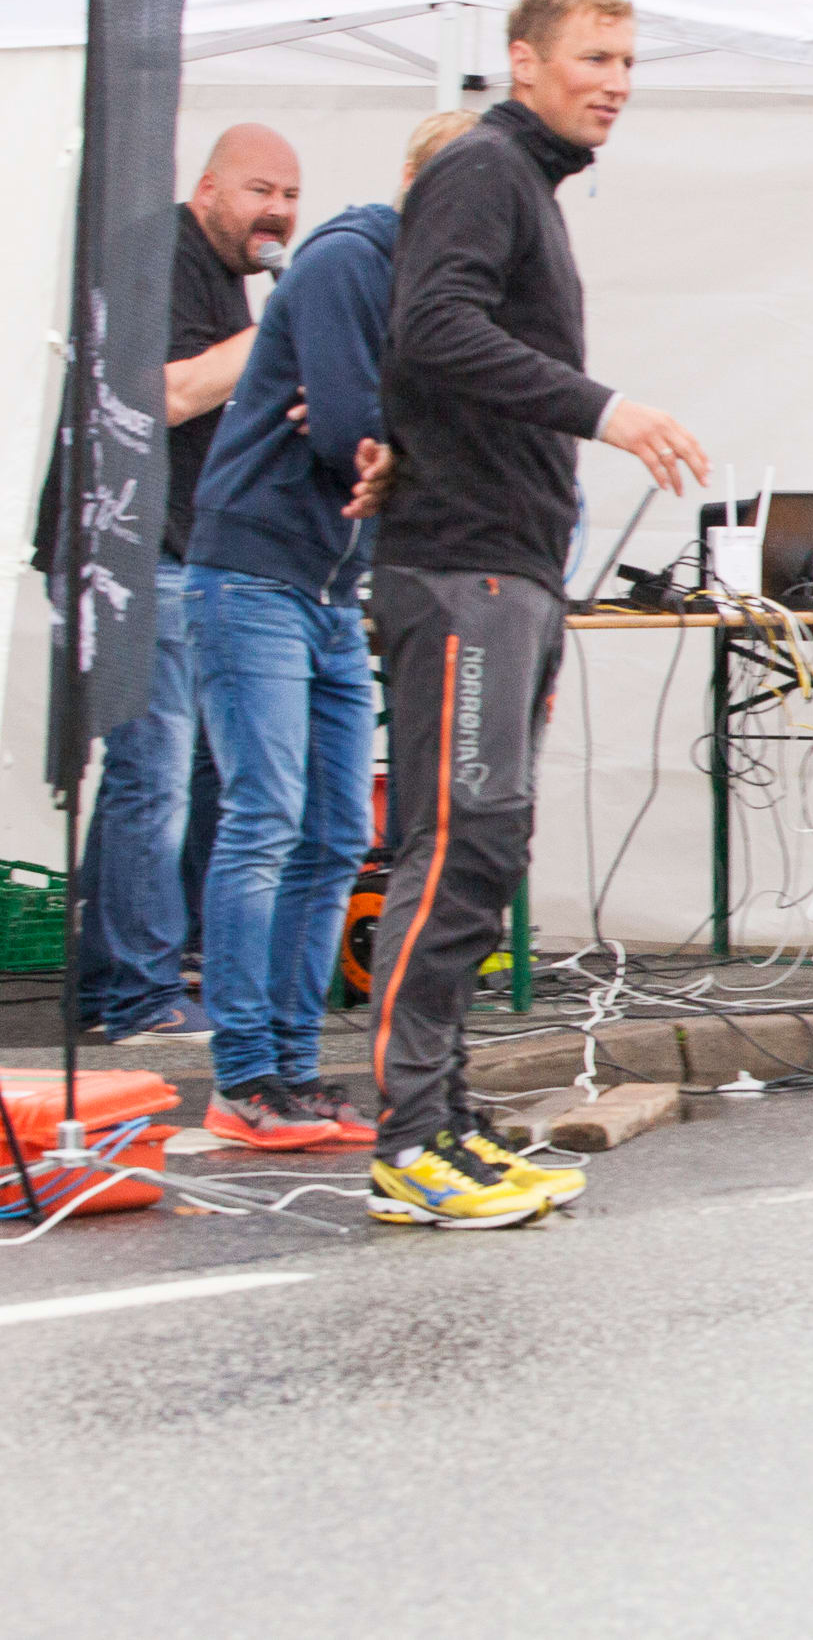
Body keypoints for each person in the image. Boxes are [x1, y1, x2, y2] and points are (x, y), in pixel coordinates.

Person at [349, 0, 709, 1229]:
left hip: (510, 565)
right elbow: (431, 332)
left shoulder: (524, 183)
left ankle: (446, 1119)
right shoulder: (483, 168)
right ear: (523, 60)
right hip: (463, 568)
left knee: (486, 847)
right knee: (455, 845)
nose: (616, 82)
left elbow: (431, 358)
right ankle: (408, 1143)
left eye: (628, 61)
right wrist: (604, 409)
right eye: (594, 57)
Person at [178, 116, 465, 1150]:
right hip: (253, 574)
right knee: (265, 819)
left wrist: (405, 430)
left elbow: (419, 428)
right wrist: (401, 429)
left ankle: (294, 1074)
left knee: (338, 833)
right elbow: (351, 433)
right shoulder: (350, 260)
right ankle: (243, 1077)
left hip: (333, 588)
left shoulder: (434, 289)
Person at [61, 126, 300, 1044]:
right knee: (153, 776)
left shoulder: (227, 277)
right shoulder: (160, 256)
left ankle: (119, 979)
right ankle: (137, 995)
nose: (277, 211)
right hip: (129, 548)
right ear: (207, 189)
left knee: (169, 774)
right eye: (259, 190)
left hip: (184, 553)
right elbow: (163, 394)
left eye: (290, 195)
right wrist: (280, 329)